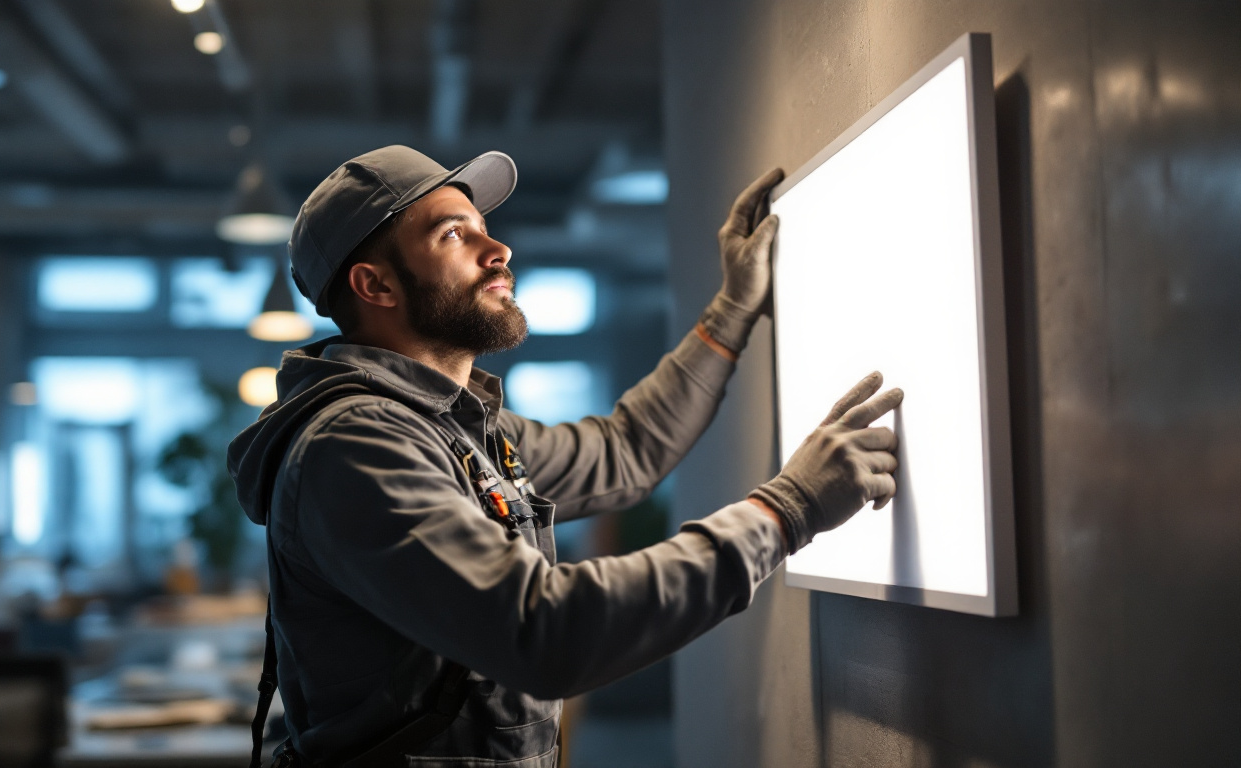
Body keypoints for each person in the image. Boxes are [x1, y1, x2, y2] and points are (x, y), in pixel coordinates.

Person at [227, 146, 902, 768]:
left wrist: (732, 310)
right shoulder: (356, 447)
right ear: (377, 287)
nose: (498, 248)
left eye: (481, 224)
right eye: (453, 234)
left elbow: (625, 450)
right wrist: (788, 509)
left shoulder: (454, 428)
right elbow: (541, 631)